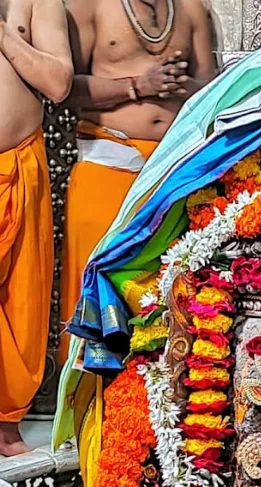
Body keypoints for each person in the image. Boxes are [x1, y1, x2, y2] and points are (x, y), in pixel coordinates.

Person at [60, 0, 215, 363]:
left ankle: (157, 406)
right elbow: (67, 90)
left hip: (173, 174)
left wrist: (185, 86)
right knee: (96, 295)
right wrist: (138, 85)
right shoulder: (90, 6)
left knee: (168, 297)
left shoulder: (191, 8)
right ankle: (88, 410)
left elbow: (213, 85)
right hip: (108, 165)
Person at [0, 0, 73, 456]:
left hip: (19, 163)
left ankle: (5, 424)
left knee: (20, 298)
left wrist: (5, 35)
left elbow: (59, 82)